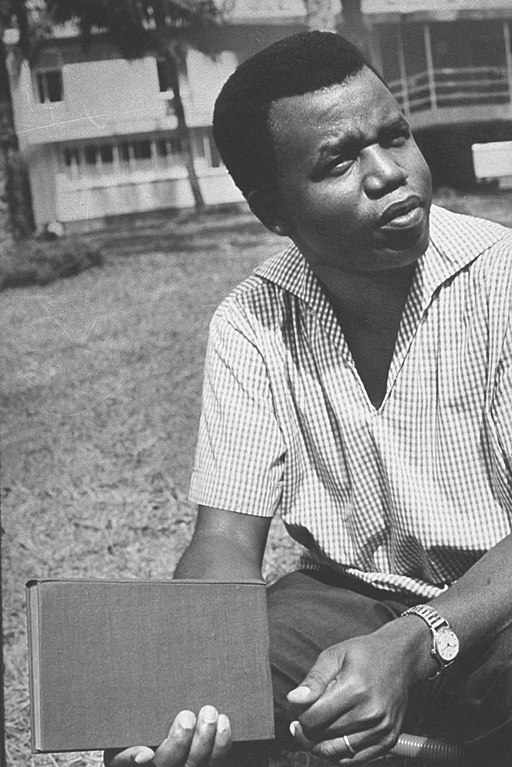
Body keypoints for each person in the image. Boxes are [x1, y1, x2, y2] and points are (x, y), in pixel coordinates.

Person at [106, 31, 512, 767]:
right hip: (347, 600)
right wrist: (178, 681)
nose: (390, 174)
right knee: (197, 710)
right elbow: (226, 539)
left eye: (395, 137)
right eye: (338, 160)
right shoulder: (251, 318)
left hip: (497, 598)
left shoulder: (502, 278)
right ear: (272, 211)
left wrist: (417, 638)